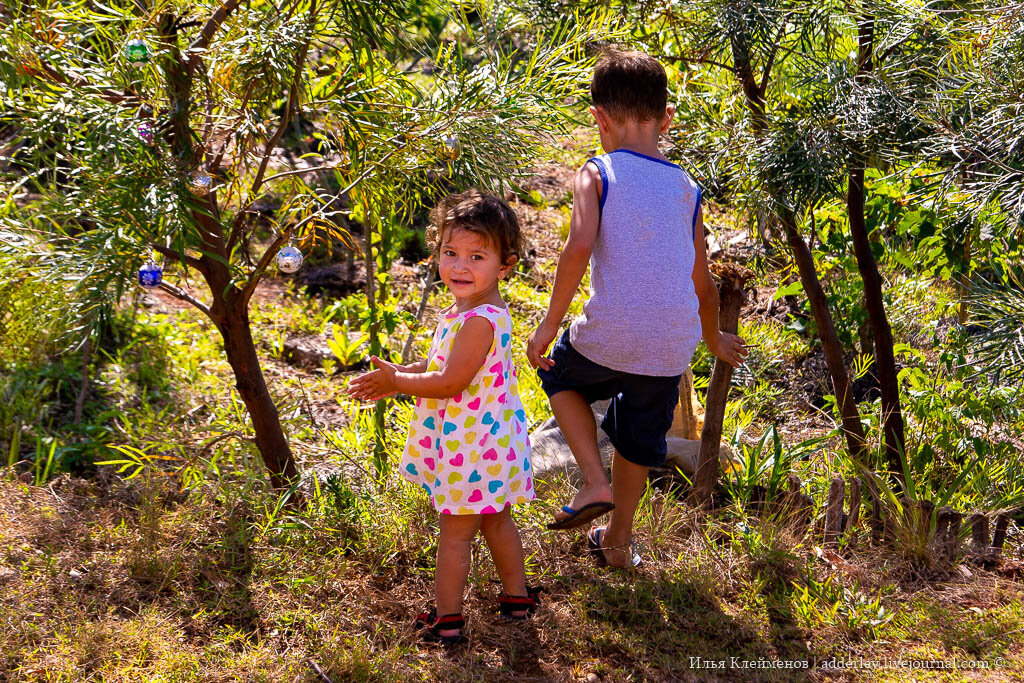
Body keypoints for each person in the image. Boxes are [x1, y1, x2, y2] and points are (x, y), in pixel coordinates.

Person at [526, 49, 747, 568]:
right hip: (672, 344)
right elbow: (702, 280)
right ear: (667, 118)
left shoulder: (596, 172)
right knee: (638, 435)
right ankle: (619, 541)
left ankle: (593, 482)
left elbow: (578, 249)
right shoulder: (687, 188)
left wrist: (547, 325)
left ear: (597, 118)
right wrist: (714, 340)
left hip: (612, 331)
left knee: (561, 378)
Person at [348, 190, 539, 645]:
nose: (459, 267)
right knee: (496, 519)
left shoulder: (480, 321)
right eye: (450, 253)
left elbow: (451, 382)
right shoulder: (464, 311)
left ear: (506, 266)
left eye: (477, 256)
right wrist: (403, 372)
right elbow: (440, 367)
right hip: (487, 442)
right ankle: (517, 598)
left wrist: (397, 384)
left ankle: (447, 620)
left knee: (455, 536)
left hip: (471, 446)